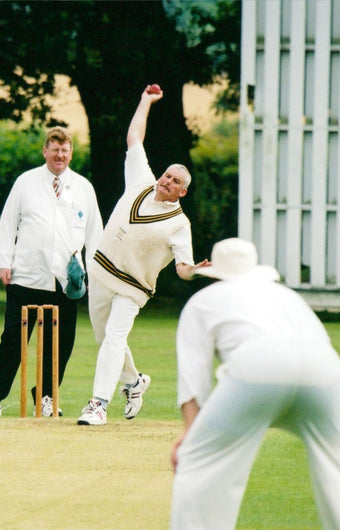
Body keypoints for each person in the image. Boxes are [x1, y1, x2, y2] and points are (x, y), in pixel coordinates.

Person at [158, 238, 340, 530]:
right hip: (324, 372)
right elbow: (319, 347)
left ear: (215, 274)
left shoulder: (203, 302)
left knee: (198, 462)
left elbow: (194, 378)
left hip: (257, 366)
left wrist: (190, 435)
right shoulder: (288, 297)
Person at [77, 84, 210, 426]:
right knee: (104, 339)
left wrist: (194, 269)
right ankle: (135, 383)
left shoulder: (180, 224)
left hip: (133, 289)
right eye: (167, 174)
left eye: (175, 180)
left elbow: (182, 268)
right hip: (101, 273)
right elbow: (134, 137)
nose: (167, 180)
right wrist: (145, 101)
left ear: (183, 190)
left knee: (114, 338)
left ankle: (97, 405)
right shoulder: (141, 181)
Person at [0, 126, 103, 417]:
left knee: (60, 344)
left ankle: (47, 398)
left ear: (71, 153)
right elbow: (8, 223)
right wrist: (4, 261)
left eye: (65, 150)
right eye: (54, 149)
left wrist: (94, 275)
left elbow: (95, 234)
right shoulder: (26, 182)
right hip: (26, 274)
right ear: (45, 151)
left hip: (66, 281)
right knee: (12, 339)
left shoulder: (83, 188)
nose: (59, 155)